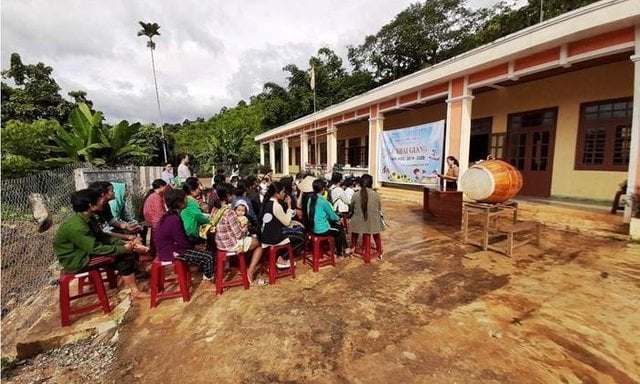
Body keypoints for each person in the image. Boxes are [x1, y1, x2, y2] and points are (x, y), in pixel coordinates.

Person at [53, 189, 149, 300]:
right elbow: (95, 248)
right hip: (78, 259)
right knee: (123, 256)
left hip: (84, 252)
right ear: (91, 205)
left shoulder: (89, 218)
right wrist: (123, 249)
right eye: (100, 199)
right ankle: (135, 292)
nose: (103, 201)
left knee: (124, 251)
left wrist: (126, 243)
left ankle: (133, 274)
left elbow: (102, 236)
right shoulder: (77, 226)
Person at [154, 189, 215, 284]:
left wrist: (194, 247)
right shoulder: (174, 219)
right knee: (208, 257)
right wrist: (194, 247)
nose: (187, 200)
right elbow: (181, 241)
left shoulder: (171, 216)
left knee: (203, 250)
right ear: (179, 202)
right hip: (172, 251)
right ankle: (208, 281)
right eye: (185, 199)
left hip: (170, 248)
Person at [214, 183, 263, 285]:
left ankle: (242, 267)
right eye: (233, 195)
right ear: (228, 196)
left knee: (249, 241)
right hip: (231, 245)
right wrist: (245, 228)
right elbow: (239, 235)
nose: (234, 197)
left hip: (220, 243)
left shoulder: (215, 209)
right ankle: (250, 270)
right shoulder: (229, 212)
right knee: (259, 245)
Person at [260, 182, 305, 268]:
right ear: (277, 193)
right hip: (274, 238)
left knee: (291, 233)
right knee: (301, 238)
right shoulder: (276, 206)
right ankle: (281, 259)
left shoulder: (267, 202)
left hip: (266, 236)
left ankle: (279, 257)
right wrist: (289, 206)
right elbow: (287, 222)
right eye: (283, 192)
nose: (284, 194)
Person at [306, 179, 351, 257]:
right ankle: (340, 253)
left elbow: (309, 213)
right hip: (321, 230)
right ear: (323, 189)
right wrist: (338, 219)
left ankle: (345, 249)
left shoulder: (310, 199)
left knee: (337, 225)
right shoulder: (323, 201)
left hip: (312, 227)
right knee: (338, 229)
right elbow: (333, 216)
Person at [349, 174, 384, 257]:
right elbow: (379, 208)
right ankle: (379, 250)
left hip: (358, 223)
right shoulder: (376, 194)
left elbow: (351, 208)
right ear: (371, 183)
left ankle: (353, 247)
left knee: (354, 231)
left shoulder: (355, 194)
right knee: (376, 233)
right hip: (373, 223)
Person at [180, 177, 210, 242]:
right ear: (192, 191)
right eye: (198, 189)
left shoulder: (186, 200)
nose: (199, 190)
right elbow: (198, 216)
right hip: (192, 230)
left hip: (188, 229)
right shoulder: (191, 202)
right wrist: (210, 221)